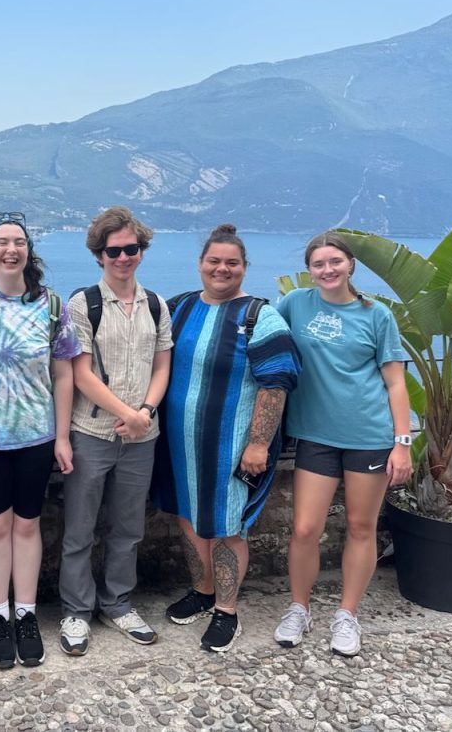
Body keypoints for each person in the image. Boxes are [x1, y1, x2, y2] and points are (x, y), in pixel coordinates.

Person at [154, 223, 300, 652]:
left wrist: (258, 444)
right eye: (214, 261)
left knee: (227, 525)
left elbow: (276, 384)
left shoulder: (259, 317)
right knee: (187, 515)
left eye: (231, 263)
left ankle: (226, 609)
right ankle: (202, 591)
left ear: (244, 267)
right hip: (179, 445)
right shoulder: (179, 308)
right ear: (200, 264)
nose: (222, 269)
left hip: (231, 447)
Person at [0, 211, 79, 669]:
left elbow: (64, 375)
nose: (11, 249)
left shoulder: (51, 306)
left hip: (35, 436)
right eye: (2, 242)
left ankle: (26, 613)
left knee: (27, 525)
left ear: (28, 251)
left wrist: (62, 437)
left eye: (19, 242)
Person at [273, 231, 412, 656]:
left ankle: (347, 615)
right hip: (315, 434)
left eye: (335, 261)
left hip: (369, 435)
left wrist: (402, 443)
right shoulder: (295, 304)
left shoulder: (376, 315)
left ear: (350, 264)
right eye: (318, 264)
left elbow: (395, 382)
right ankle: (299, 608)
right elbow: (262, 339)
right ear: (309, 269)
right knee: (305, 528)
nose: (327, 269)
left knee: (360, 526)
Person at [58, 206, 172, 656]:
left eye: (131, 249)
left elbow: (162, 366)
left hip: (141, 436)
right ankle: (76, 610)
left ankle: (118, 603)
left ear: (142, 251)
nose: (124, 257)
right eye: (114, 251)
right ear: (99, 255)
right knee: (79, 528)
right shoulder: (83, 305)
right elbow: (80, 374)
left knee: (129, 528)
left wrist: (144, 412)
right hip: (91, 431)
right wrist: (131, 413)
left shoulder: (156, 305)